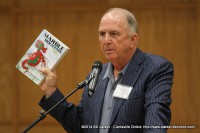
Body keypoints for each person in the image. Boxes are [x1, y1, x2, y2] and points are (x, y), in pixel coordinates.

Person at [39, 8, 174, 133]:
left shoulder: (155, 68)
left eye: (114, 34)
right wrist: (51, 92)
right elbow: (81, 126)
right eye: (102, 34)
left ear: (133, 40)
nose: (106, 40)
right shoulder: (96, 74)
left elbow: (155, 126)